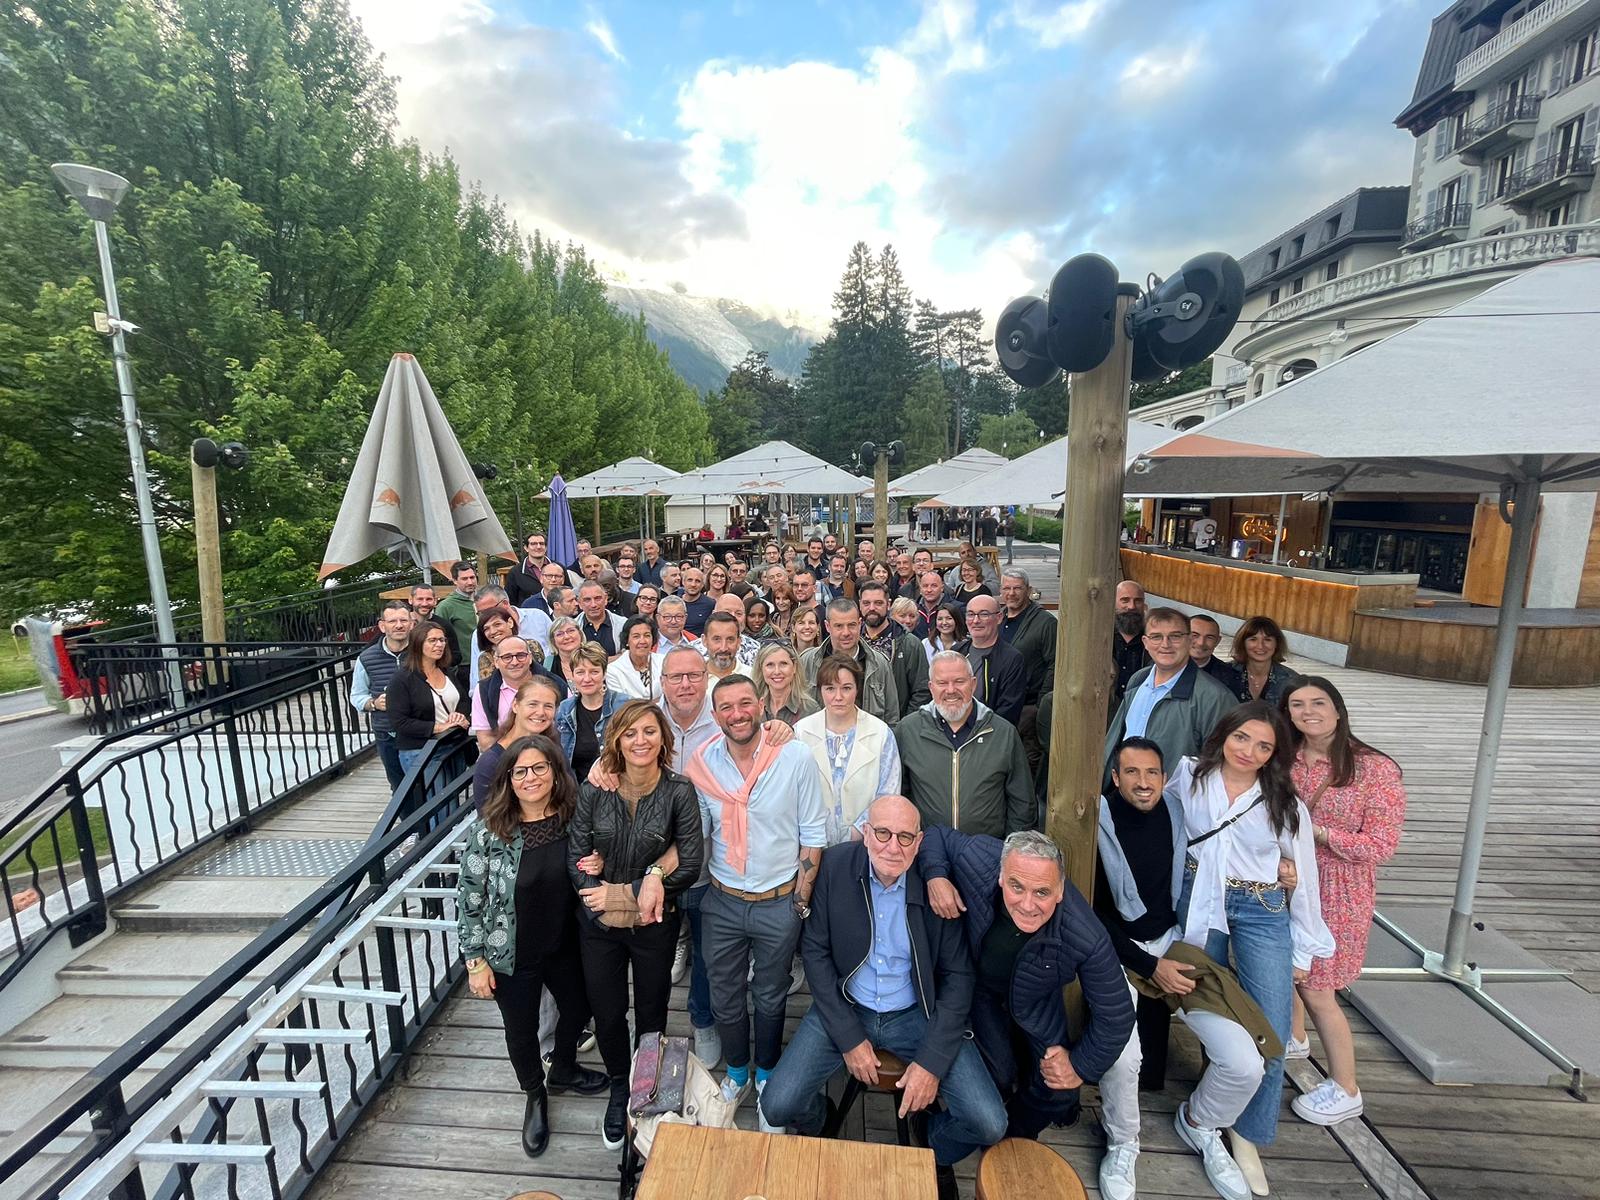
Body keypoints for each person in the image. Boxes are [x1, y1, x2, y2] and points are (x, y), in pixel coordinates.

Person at [759, 796, 1007, 1199]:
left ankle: (932, 1145)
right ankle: (823, 1123)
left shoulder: (936, 888)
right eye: (883, 833)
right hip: (847, 1005)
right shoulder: (836, 867)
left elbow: (959, 976)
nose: (894, 847)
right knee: (777, 1105)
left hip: (916, 1013)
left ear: (920, 841)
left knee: (989, 1122)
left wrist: (931, 1063)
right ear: (866, 833)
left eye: (906, 837)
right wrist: (849, 1038)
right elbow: (817, 954)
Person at [1094, 738, 1273, 1200]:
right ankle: (1123, 1140)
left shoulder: (1178, 813)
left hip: (1175, 943)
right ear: (1115, 778)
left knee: (1245, 1062)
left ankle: (1201, 1123)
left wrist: (1286, 866)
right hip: (1120, 953)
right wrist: (1150, 966)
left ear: (1164, 777)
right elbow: (1091, 916)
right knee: (1124, 1055)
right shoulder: (1096, 821)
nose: (1143, 782)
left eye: (1152, 772)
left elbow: (1233, 837)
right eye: (1131, 773)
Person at [1167, 702, 1335, 1194]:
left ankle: (1248, 1134)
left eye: (1264, 746)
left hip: (1260, 903)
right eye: (1242, 738)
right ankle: (1215, 1104)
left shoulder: (1283, 800)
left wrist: (1304, 947)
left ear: (1275, 754)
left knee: (1273, 1026)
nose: (1249, 752)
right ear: (1224, 735)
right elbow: (1164, 825)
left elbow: (1303, 877)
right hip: (1197, 895)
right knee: (1208, 1004)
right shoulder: (1189, 775)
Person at [919, 828, 1135, 1151]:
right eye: (1017, 886)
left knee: (1060, 1090)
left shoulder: (1086, 934)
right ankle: (934, 1131)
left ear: (1060, 890)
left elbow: (1117, 1015)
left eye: (1042, 892)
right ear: (1002, 877)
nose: (1028, 904)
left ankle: (1011, 1138)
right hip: (979, 987)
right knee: (1000, 1073)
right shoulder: (979, 856)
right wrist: (935, 875)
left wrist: (1079, 1066)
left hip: (1035, 1000)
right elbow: (935, 835)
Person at [457, 736, 610, 1159]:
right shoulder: (490, 830)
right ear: (508, 778)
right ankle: (535, 1094)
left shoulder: (571, 819)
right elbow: (469, 899)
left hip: (564, 944)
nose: (531, 778)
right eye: (520, 771)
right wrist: (475, 962)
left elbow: (592, 861)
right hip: (512, 954)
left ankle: (562, 1067)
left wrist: (597, 862)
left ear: (555, 772)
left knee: (580, 1008)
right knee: (521, 1031)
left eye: (540, 768)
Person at [682, 676, 826, 1121]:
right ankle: (738, 1073)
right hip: (723, 899)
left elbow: (813, 836)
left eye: (745, 703)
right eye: (726, 707)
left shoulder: (795, 756)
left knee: (771, 993)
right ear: (715, 713)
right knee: (724, 996)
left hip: (779, 900)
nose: (737, 713)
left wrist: (799, 904)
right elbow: (695, 835)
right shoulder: (702, 765)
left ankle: (767, 1072)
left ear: (761, 704)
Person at [568, 700, 706, 1148]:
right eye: (630, 733)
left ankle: (646, 1085)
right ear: (617, 740)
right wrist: (597, 895)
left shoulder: (679, 791)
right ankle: (618, 1085)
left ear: (663, 739)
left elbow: (690, 860)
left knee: (652, 1010)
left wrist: (629, 889)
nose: (641, 741)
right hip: (600, 925)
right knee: (607, 1012)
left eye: (649, 731)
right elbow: (576, 854)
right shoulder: (596, 789)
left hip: (653, 923)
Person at [1282, 678, 1406, 1127]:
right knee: (1289, 970)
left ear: (1338, 709)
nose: (1308, 711)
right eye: (1297, 704)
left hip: (1338, 891)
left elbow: (1381, 844)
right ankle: (1294, 1039)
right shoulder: (1284, 758)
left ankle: (1345, 1086)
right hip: (1287, 882)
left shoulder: (1374, 768)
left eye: (1319, 702)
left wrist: (1319, 835)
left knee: (1318, 987)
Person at [895, 651, 1033, 837]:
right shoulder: (908, 730)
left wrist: (1009, 850)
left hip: (985, 854)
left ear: (973, 684)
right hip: (928, 851)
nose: (951, 690)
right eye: (942, 683)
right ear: (931, 687)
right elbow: (897, 796)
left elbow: (1022, 802)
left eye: (959, 681)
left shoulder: (1003, 733)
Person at [1102, 607, 1235, 786]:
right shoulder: (1138, 680)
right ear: (1145, 642)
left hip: (1172, 806)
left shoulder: (1215, 698)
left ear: (1189, 640)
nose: (1165, 644)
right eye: (1156, 637)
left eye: (1175, 636)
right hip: (1123, 794)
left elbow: (1223, 765)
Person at [794, 655, 902, 846]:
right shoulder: (802, 732)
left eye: (846, 688)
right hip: (813, 845)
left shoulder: (880, 733)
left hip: (865, 843)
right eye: (830, 689)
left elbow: (888, 793)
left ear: (857, 689)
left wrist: (857, 831)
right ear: (820, 691)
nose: (838, 697)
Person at [386, 622, 470, 774]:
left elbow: (463, 700)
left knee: (453, 796)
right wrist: (438, 727)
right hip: (422, 751)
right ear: (418, 643)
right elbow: (399, 722)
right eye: (432, 641)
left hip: (453, 745)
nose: (439, 645)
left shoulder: (446, 671)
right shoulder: (402, 679)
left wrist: (460, 716)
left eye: (442, 640)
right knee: (437, 798)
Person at [473, 676, 565, 810]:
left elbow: (569, 793)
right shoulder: (491, 762)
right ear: (515, 706)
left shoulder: (554, 748)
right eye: (533, 704)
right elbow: (487, 816)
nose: (540, 712)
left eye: (548, 706)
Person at [799, 597, 898, 723]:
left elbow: (892, 716)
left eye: (851, 625)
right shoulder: (807, 661)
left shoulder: (879, 663)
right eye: (839, 626)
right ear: (827, 626)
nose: (846, 633)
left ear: (860, 623)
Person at [998, 569, 1057, 771]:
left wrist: (1040, 706)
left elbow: (1054, 664)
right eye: (1007, 588)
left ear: (1028, 590)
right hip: (1002, 707)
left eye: (1017, 588)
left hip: (1028, 709)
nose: (1011, 593)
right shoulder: (999, 620)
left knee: (1028, 765)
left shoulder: (1046, 623)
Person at [351, 600, 413, 789]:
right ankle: (408, 819)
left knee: (424, 784)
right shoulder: (367, 657)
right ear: (382, 625)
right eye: (393, 621)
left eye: (403, 620)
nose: (399, 625)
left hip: (420, 729)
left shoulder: (423, 651)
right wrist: (374, 703)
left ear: (412, 623)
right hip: (387, 731)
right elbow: (356, 696)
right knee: (398, 785)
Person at [471, 636, 562, 752]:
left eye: (520, 656)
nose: (514, 662)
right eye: (507, 657)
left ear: (529, 658)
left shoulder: (556, 685)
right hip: (504, 760)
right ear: (496, 662)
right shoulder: (484, 690)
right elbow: (485, 740)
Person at [856, 581, 930, 720]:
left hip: (894, 724)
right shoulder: (852, 641)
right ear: (860, 604)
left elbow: (922, 692)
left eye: (878, 603)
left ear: (888, 604)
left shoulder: (909, 643)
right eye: (866, 603)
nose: (872, 608)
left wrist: (903, 725)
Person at [554, 642, 624, 782]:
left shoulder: (623, 705)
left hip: (615, 787)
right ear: (572, 676)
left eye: (594, 672)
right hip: (576, 790)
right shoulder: (564, 709)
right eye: (580, 672)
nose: (587, 679)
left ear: (604, 674)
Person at [959, 595, 1026, 728]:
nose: (976, 620)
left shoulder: (1011, 659)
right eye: (971, 614)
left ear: (999, 618)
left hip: (989, 736)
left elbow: (1008, 712)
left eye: (984, 614)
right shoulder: (957, 653)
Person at [1230, 616, 1300, 707]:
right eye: (1253, 639)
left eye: (1267, 640)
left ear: (1277, 644)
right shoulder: (1225, 673)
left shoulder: (1291, 680)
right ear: (1243, 643)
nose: (1260, 646)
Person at [753, 641, 817, 726]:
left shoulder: (810, 709)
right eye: (770, 665)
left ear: (794, 667)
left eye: (783, 664)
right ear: (761, 669)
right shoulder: (754, 707)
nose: (777, 671)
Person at [1111, 580, 1151, 709]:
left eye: (1138, 600)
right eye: (1125, 600)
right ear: (1113, 603)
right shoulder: (1102, 637)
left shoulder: (1153, 639)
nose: (1132, 606)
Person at [605, 616, 661, 701]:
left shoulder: (663, 662)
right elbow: (622, 706)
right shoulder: (613, 671)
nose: (642, 641)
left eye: (647, 635)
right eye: (636, 636)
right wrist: (657, 701)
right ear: (627, 640)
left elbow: (670, 698)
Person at [1190, 613, 1244, 694]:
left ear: (1218, 641)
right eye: (1195, 635)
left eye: (1209, 637)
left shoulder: (1230, 677)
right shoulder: (1166, 667)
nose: (1201, 643)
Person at [435, 560, 480, 653]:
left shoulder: (485, 599)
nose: (470, 582)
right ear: (455, 581)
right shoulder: (446, 606)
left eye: (472, 577)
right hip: (463, 662)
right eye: (464, 579)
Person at [576, 580, 626, 658]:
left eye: (597, 598)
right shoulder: (572, 627)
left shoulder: (623, 624)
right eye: (587, 600)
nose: (593, 605)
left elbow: (628, 655)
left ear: (606, 599)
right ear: (579, 603)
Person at [711, 593, 762, 666]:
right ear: (713, 614)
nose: (733, 617)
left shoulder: (756, 649)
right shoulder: (696, 649)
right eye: (727, 612)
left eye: (738, 613)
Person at [700, 611, 752, 683]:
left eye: (730, 639)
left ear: (739, 642)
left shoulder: (753, 677)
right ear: (704, 641)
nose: (723, 648)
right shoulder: (693, 678)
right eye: (717, 639)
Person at [505, 530, 552, 608]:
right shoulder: (515, 572)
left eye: (541, 543)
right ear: (526, 548)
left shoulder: (558, 568)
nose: (538, 547)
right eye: (533, 544)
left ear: (546, 547)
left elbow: (567, 591)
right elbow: (510, 601)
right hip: (528, 616)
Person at [545, 617, 586, 688]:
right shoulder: (548, 665)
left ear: (580, 634)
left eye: (571, 631)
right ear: (553, 641)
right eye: (559, 634)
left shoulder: (594, 658)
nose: (566, 637)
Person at [916, 569, 956, 634]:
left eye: (934, 586)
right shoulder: (913, 610)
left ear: (942, 588)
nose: (929, 590)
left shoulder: (956, 608)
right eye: (925, 586)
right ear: (920, 589)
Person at [679, 567, 714, 636]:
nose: (693, 584)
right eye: (690, 580)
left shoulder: (710, 604)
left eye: (697, 581)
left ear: (702, 585)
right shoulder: (675, 603)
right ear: (683, 582)